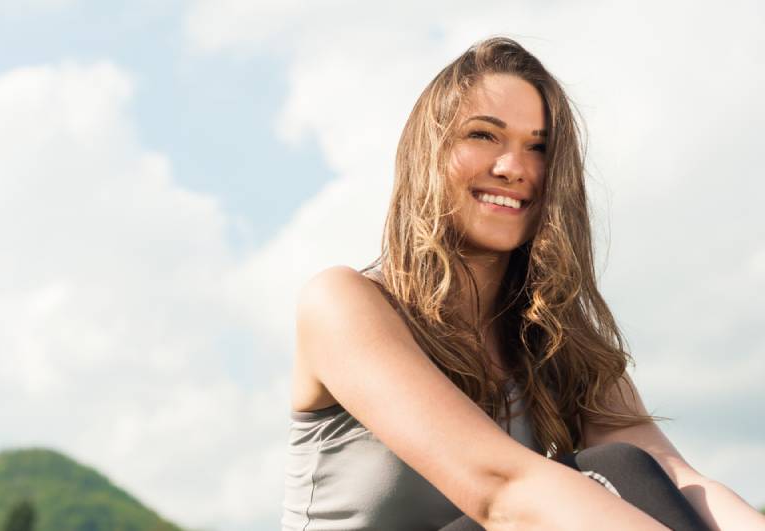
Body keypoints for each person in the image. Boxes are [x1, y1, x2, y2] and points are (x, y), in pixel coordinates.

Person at [281, 36, 765, 531]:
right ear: (429, 152)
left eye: (538, 146)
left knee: (622, 468)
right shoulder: (342, 302)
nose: (513, 167)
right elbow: (502, 491)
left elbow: (676, 480)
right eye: (484, 136)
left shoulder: (558, 338)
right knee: (583, 484)